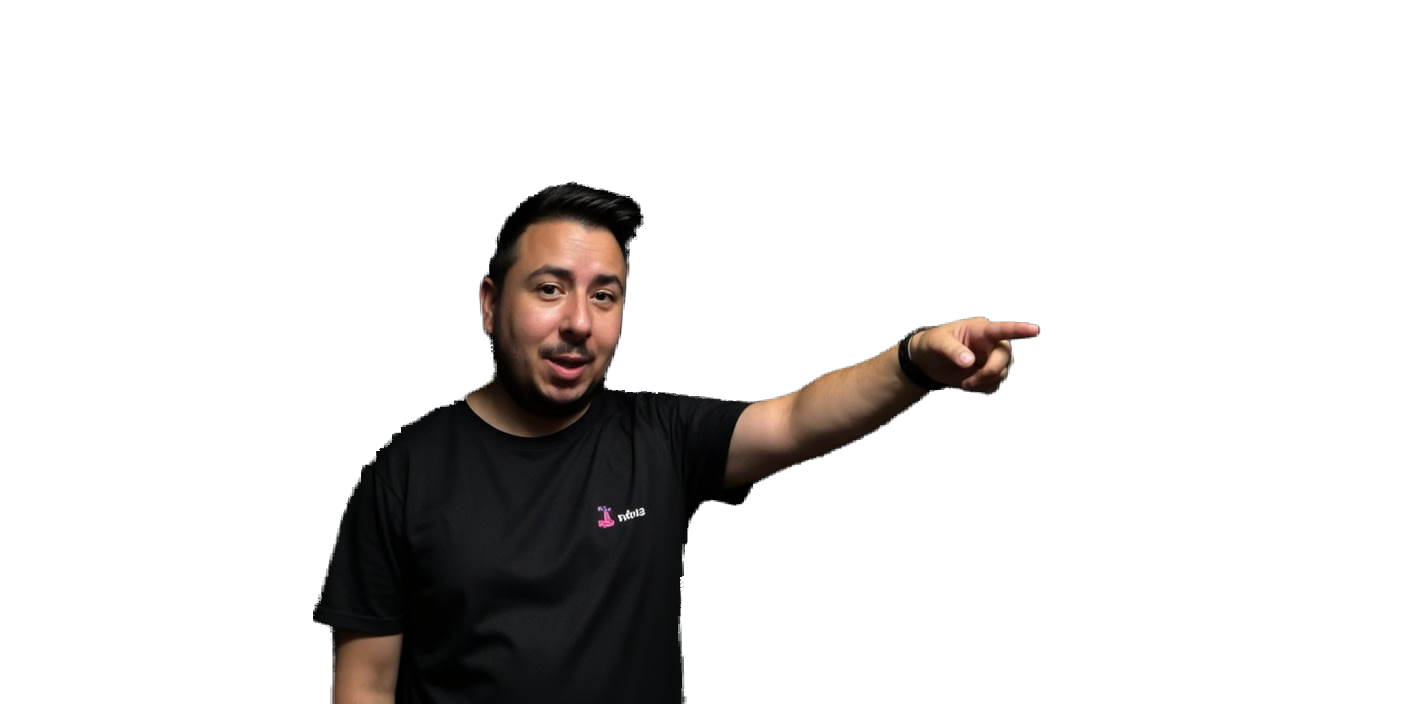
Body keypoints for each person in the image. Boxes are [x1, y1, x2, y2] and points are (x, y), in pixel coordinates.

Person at [312, 181, 1040, 703]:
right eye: (550, 289)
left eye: (604, 295)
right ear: (489, 303)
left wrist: (914, 358)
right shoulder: (404, 471)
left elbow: (799, 419)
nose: (579, 322)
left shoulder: (660, 437)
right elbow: (365, 685)